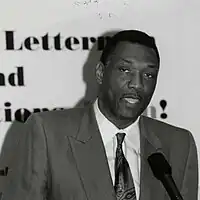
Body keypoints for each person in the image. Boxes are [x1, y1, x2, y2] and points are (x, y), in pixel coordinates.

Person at [1, 30, 198, 200]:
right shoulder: (47, 133)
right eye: (125, 70)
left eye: (148, 75)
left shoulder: (180, 144)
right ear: (100, 73)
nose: (137, 84)